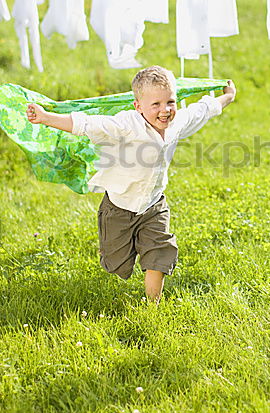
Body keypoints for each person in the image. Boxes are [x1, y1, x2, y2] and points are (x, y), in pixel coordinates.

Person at [26, 66, 236, 303]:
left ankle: (152, 307)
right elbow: (88, 124)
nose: (165, 110)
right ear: (138, 107)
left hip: (154, 205)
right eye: (155, 104)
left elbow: (203, 110)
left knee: (159, 253)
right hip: (119, 207)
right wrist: (45, 118)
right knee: (115, 263)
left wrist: (228, 96)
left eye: (170, 102)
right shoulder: (126, 125)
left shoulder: (177, 122)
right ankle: (119, 249)